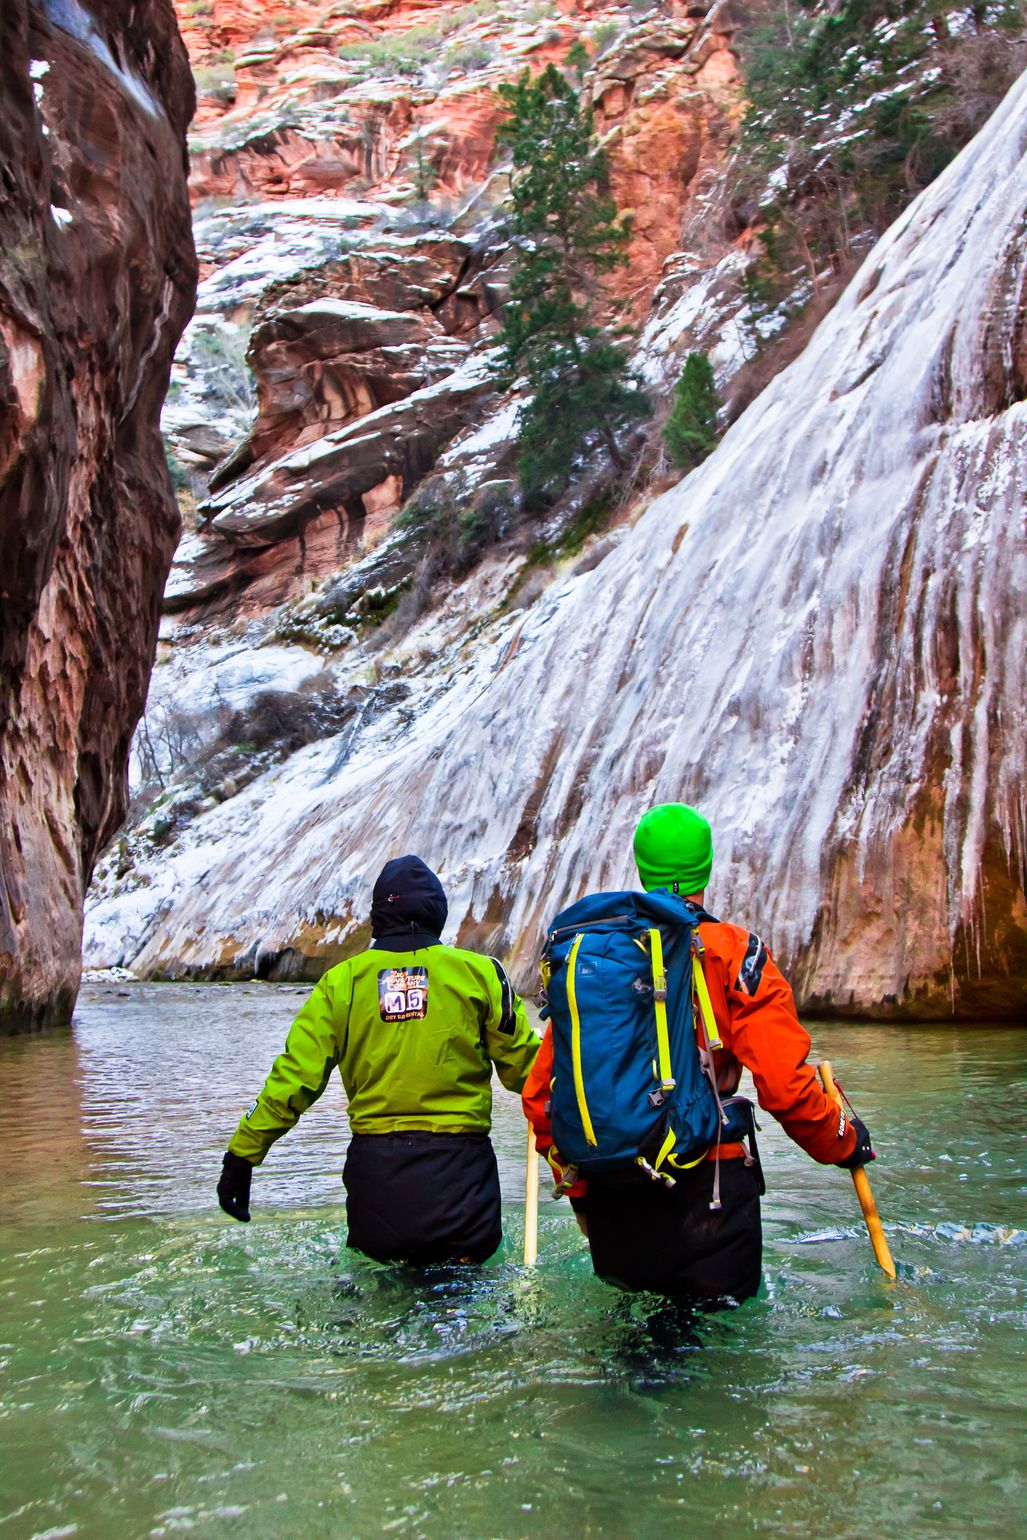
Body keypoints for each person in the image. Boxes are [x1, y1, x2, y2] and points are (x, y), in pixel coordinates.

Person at [522, 803, 875, 1305]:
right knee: (717, 1358)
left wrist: (579, 1195)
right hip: (710, 1204)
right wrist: (843, 1140)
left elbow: (543, 1098)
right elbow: (785, 1087)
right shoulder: (733, 951)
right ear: (707, 869)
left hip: (614, 1210)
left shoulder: (595, 962)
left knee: (635, 1359)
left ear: (642, 870)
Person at [218, 854, 540, 1265]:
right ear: (438, 913)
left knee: (381, 1295)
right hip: (460, 1175)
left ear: (377, 917)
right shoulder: (481, 974)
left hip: (377, 1178)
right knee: (464, 1300)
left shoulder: (341, 983)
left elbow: (294, 1078)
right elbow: (531, 1072)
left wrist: (242, 1155)